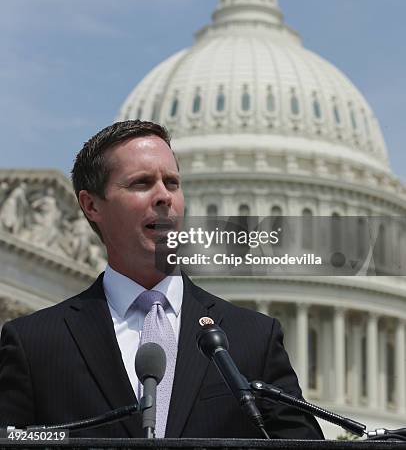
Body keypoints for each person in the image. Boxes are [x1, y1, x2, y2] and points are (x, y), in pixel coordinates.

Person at [0, 121, 323, 439]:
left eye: (172, 183)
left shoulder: (252, 339)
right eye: (141, 183)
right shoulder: (34, 344)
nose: (164, 197)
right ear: (91, 205)